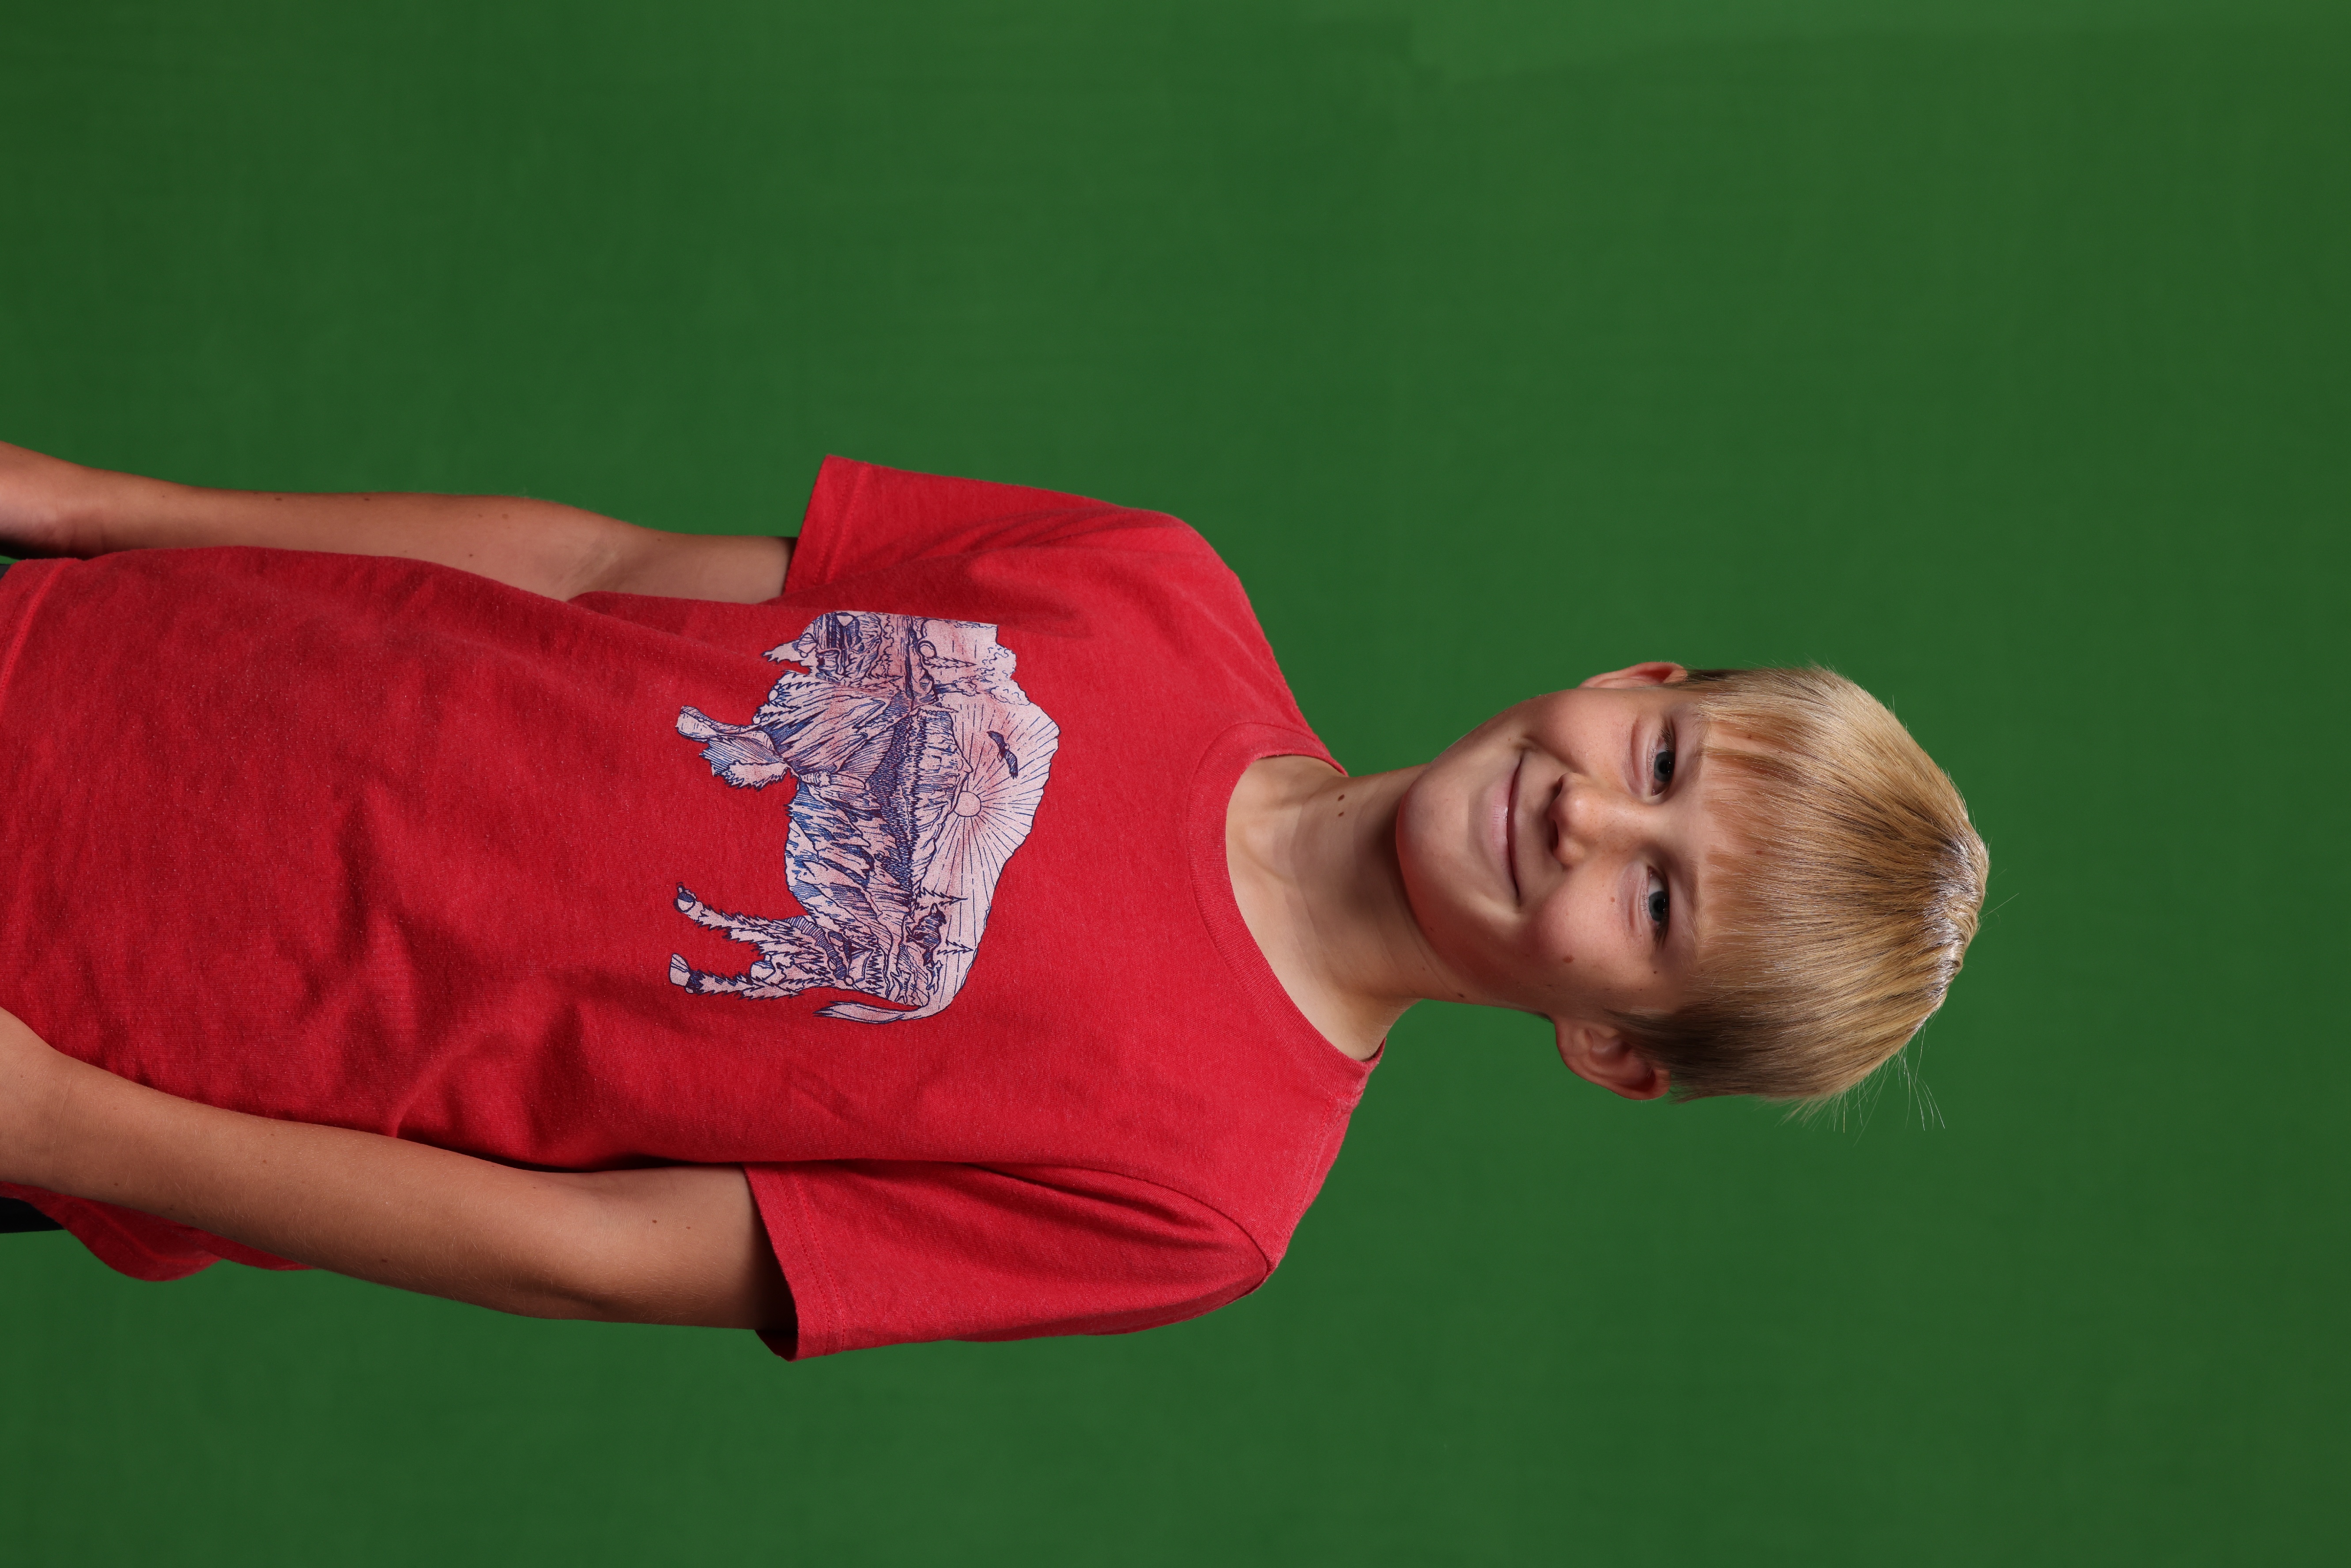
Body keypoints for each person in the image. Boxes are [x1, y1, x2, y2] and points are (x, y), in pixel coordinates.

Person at [0, 439, 1986, 1358]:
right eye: (1662, 768)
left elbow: (588, 1255)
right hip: (116, 653)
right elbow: (603, 564)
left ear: (1615, 1051)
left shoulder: (1205, 1194)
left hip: (108, 1027)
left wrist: (60, 1124)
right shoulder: (1153, 586)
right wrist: (96, 514)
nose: (1589, 820)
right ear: (1638, 681)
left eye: (1659, 909)